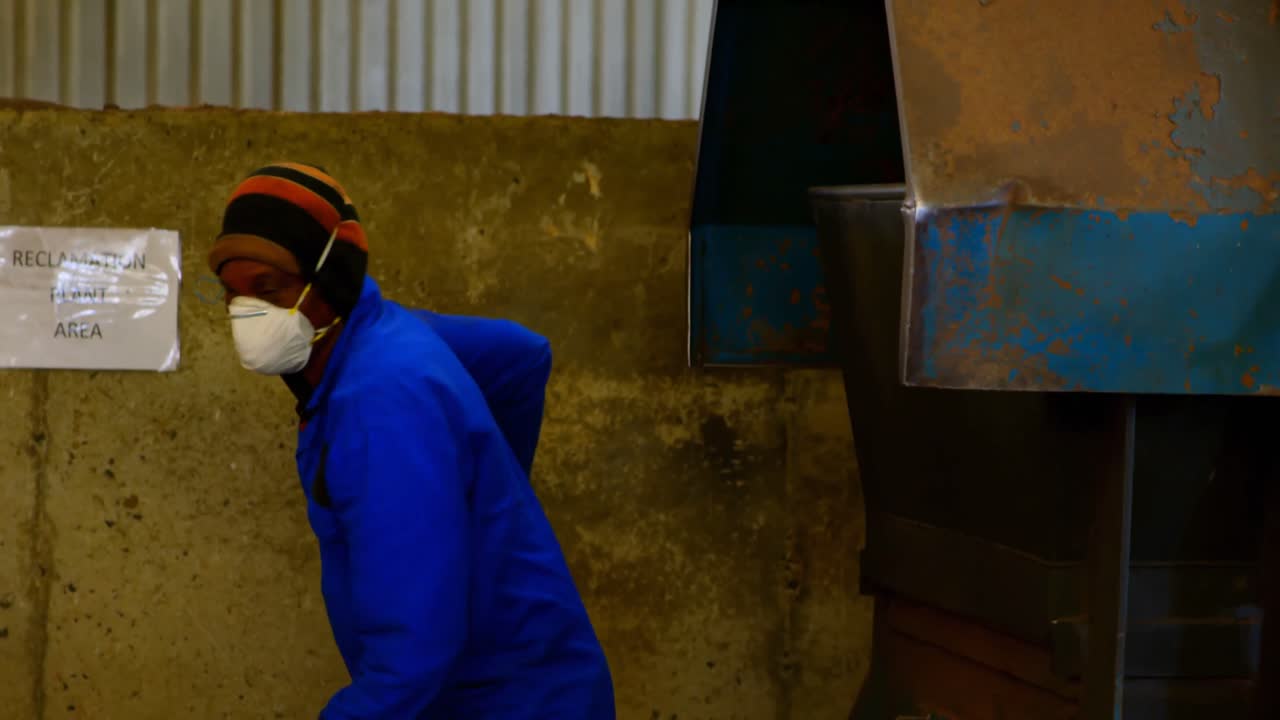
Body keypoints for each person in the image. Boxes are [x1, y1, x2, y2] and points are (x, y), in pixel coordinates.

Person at [208, 162, 615, 719]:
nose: (245, 314)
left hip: (501, 702)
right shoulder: (380, 332)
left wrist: (456, 495)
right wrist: (476, 504)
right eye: (231, 294)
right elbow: (519, 357)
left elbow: (413, 655)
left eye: (269, 289)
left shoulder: (380, 404)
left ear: (330, 282)